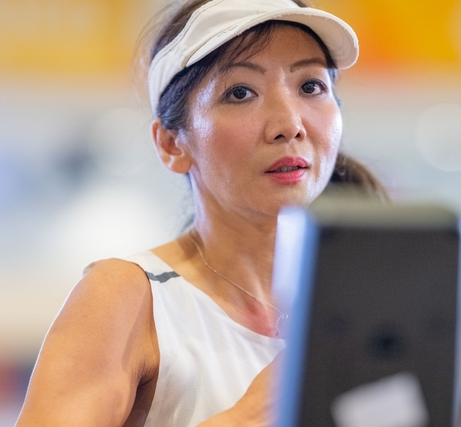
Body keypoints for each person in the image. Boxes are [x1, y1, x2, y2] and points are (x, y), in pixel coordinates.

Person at [15, 0, 386, 426]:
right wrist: (245, 418)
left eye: (310, 86)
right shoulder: (129, 297)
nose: (290, 123)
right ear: (171, 144)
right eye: (240, 92)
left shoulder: (371, 310)